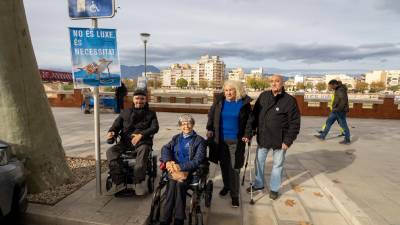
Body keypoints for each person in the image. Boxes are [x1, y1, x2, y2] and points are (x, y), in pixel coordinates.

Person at [247, 75, 301, 200]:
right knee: (258, 162)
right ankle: (259, 184)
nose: (274, 83)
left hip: (280, 140)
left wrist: (288, 141)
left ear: (282, 83)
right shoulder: (264, 96)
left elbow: (295, 123)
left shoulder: (289, 100)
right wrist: (250, 131)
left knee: (278, 165)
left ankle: (274, 189)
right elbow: (254, 115)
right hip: (264, 137)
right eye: (272, 81)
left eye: (277, 81)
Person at [206, 80, 252, 207]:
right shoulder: (219, 101)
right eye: (226, 90)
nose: (228, 92)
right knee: (224, 166)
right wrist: (209, 129)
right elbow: (211, 116)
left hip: (236, 141)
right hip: (220, 140)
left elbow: (249, 121)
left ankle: (235, 195)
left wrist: (247, 135)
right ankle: (227, 186)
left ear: (237, 90)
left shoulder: (244, 103)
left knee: (234, 168)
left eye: (231, 90)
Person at [106, 89, 159, 190]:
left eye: (142, 98)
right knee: (111, 151)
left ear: (146, 99)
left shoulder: (151, 113)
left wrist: (141, 135)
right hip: (125, 142)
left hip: (142, 142)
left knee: (144, 151)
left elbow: (154, 128)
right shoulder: (125, 112)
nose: (139, 101)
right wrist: (112, 132)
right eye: (137, 98)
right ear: (133, 99)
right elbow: (116, 125)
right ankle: (118, 180)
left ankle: (138, 182)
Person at [160, 114, 206, 225]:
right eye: (183, 124)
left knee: (179, 185)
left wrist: (181, 167)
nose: (186, 126)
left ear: (193, 125)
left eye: (189, 123)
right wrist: (168, 161)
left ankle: (177, 219)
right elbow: (165, 148)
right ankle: (168, 218)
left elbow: (197, 160)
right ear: (180, 126)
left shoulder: (199, 141)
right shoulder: (176, 138)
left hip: (189, 171)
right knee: (172, 186)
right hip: (174, 170)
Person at [315, 79, 351, 144]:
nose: (330, 87)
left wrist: (338, 109)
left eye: (331, 86)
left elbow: (343, 101)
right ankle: (322, 136)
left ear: (335, 84)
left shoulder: (341, 90)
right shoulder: (337, 89)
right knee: (328, 122)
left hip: (340, 111)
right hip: (335, 110)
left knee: (343, 125)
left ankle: (347, 139)